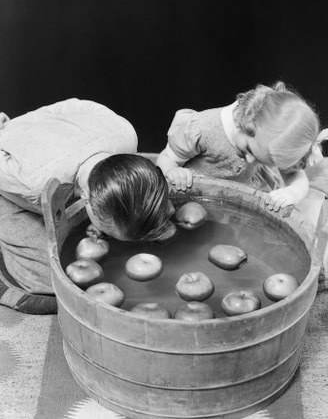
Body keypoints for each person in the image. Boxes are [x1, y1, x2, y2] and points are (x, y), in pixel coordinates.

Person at [0, 98, 171, 315]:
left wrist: (44, 117)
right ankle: (5, 282)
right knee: (51, 281)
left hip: (50, 133)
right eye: (107, 230)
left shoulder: (126, 135)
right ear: (87, 199)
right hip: (10, 178)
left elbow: (78, 105)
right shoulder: (32, 183)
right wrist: (10, 129)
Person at [157, 81, 328, 211]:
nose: (249, 159)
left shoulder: (273, 142)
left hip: (238, 203)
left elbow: (297, 177)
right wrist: (172, 170)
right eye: (249, 149)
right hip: (194, 200)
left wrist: (294, 192)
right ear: (246, 122)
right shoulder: (203, 129)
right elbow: (165, 159)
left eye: (261, 160)